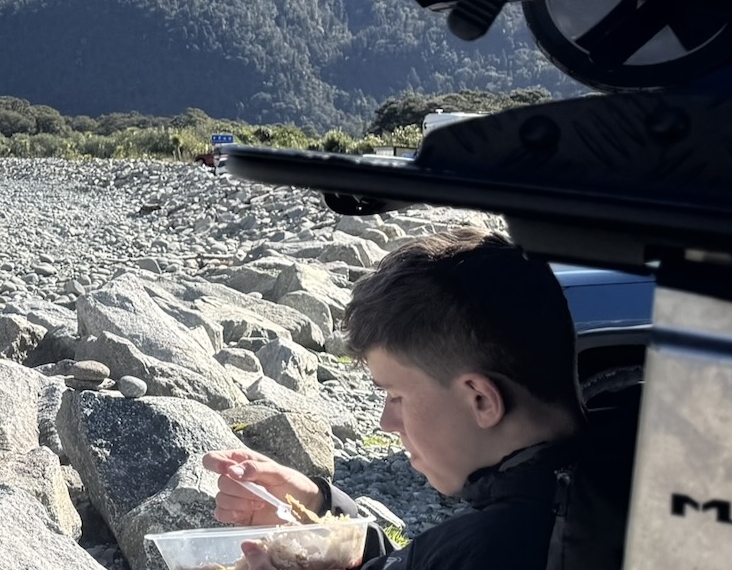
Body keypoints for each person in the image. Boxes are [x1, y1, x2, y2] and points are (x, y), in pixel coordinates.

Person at [201, 228, 636, 570]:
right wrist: (319, 513)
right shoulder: (616, 481)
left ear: (481, 400)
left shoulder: (492, 547)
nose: (386, 423)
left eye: (395, 396)